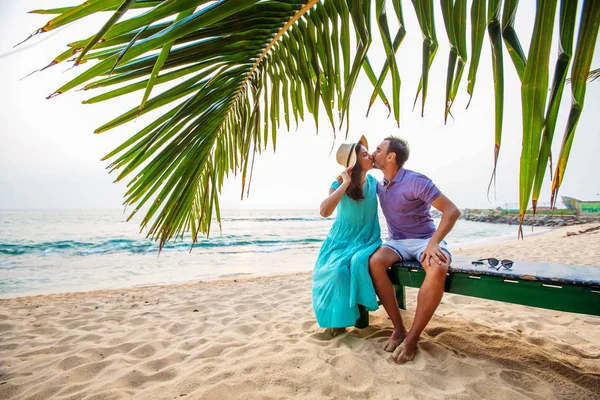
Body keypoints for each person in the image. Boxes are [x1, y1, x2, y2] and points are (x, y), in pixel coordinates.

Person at [369, 136, 461, 363]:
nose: (374, 152)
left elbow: (452, 211)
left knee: (438, 268)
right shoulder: (379, 185)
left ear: (391, 157)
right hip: (397, 241)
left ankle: (412, 338)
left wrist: (434, 243)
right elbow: (353, 178)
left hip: (424, 239)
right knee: (374, 263)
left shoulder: (416, 181)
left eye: (378, 149)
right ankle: (399, 328)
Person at [312, 136, 382, 336]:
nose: (370, 156)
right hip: (339, 241)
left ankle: (353, 316)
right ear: (354, 162)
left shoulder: (374, 184)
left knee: (356, 263)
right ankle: (338, 322)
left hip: (366, 239)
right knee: (338, 271)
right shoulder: (338, 184)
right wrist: (345, 183)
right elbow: (324, 211)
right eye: (364, 154)